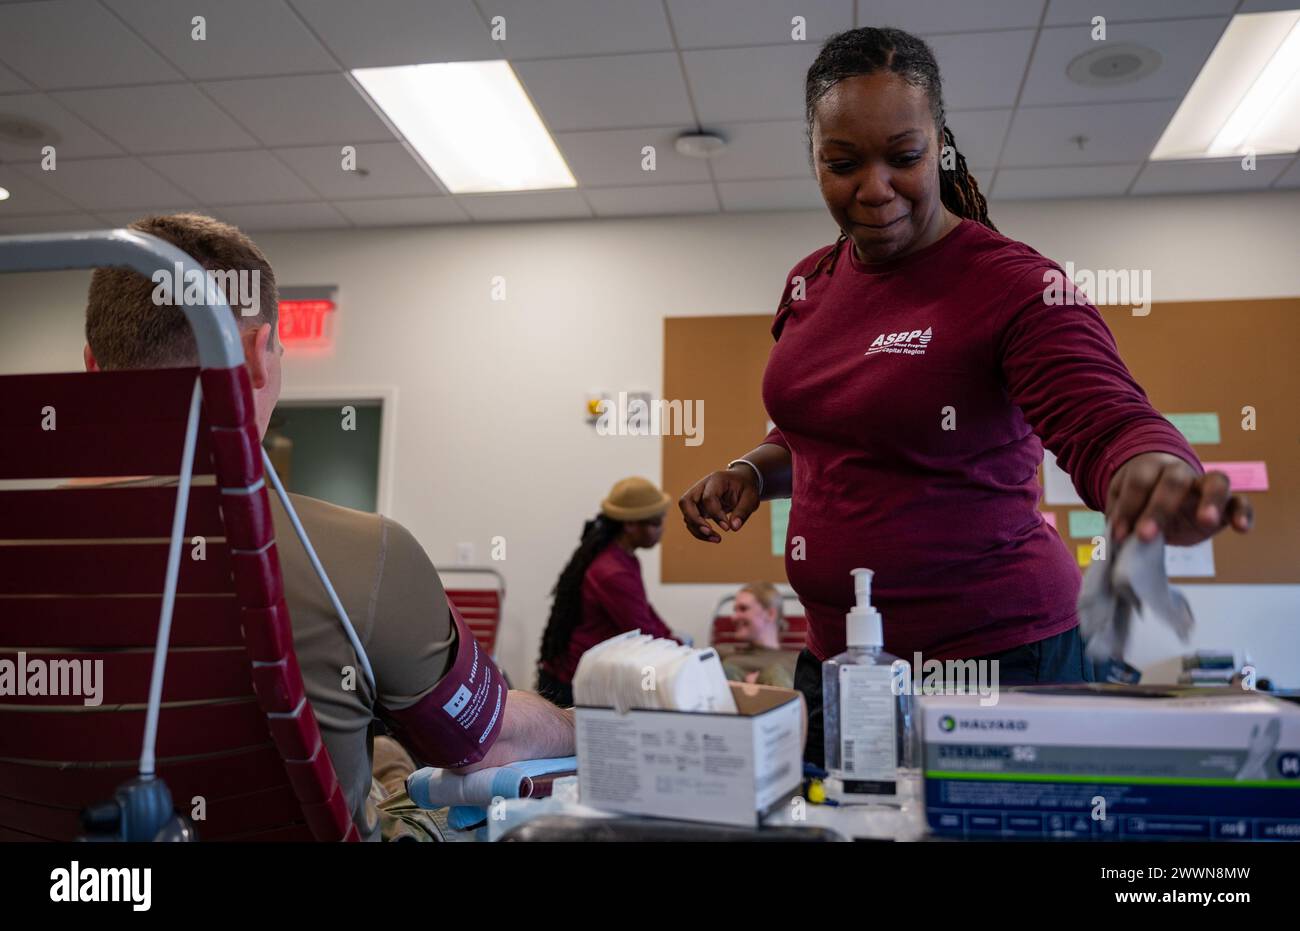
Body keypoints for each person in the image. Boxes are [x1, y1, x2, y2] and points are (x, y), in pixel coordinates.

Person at [677, 28, 1253, 766]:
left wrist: (1148, 465)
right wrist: (752, 472)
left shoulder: (1009, 285)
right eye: (843, 163)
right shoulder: (809, 282)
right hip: (837, 659)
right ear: (814, 157)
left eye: (904, 156)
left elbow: (1103, 414)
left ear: (941, 146)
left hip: (996, 662)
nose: (874, 188)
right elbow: (825, 428)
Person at [82, 212, 574, 839]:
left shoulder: (28, 558)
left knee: (387, 762)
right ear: (259, 358)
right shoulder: (367, 555)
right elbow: (486, 745)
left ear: (92, 370)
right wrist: (587, 725)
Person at [537, 477, 679, 707]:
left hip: (582, 675)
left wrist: (676, 643)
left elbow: (646, 611)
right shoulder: (613, 572)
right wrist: (678, 651)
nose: (662, 529)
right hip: (571, 686)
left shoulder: (623, 558)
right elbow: (643, 630)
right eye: (655, 523)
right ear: (630, 525)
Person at [717, 582, 798, 688]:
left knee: (774, 673)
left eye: (743, 609)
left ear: (770, 614)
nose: (734, 617)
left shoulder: (795, 660)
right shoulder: (722, 653)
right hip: (729, 702)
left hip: (779, 698)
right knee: (727, 670)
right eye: (735, 610)